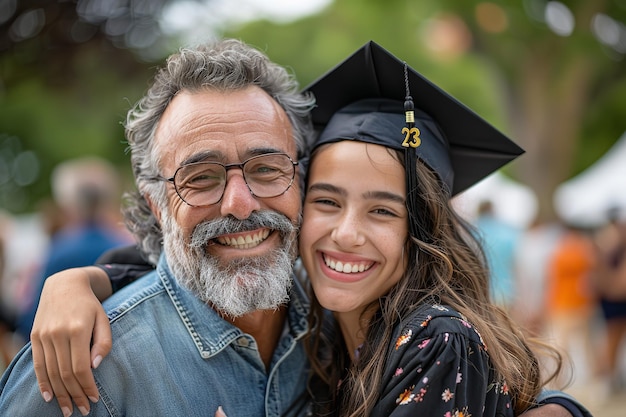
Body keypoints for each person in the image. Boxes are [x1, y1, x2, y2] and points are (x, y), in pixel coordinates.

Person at [0, 40, 589, 417]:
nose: (239, 203)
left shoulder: (387, 330)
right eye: (201, 178)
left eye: (264, 168)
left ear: (293, 187)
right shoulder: (90, 367)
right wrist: (81, 281)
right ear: (157, 205)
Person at [15, 156, 132, 340]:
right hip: (121, 341)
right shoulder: (124, 244)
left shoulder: (59, 248)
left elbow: (32, 318)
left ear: (73, 204)